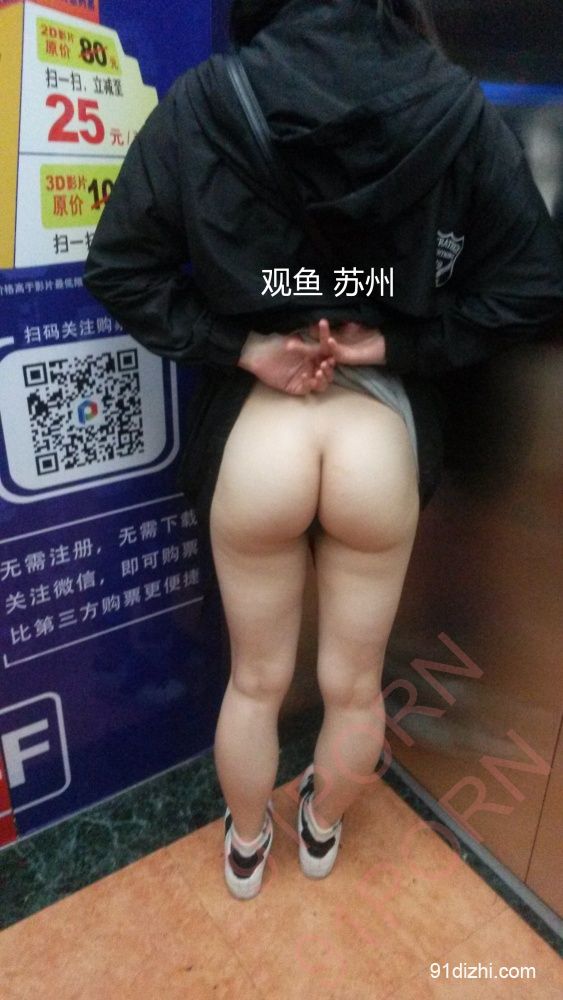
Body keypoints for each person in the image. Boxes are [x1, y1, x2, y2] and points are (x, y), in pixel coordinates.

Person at [84, 0, 563, 900]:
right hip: (375, 439)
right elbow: (533, 282)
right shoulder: (454, 105)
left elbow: (119, 268)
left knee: (255, 682)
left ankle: (246, 849)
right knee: (353, 688)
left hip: (260, 434)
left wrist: (245, 347)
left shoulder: (206, 98)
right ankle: (320, 829)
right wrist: (397, 344)